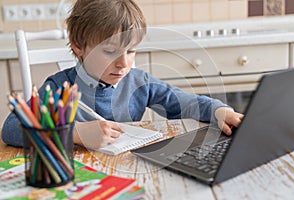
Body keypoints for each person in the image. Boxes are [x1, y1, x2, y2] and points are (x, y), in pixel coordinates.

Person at [2, 0, 243, 149]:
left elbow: (183, 102)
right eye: (110, 51)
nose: (123, 63)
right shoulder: (58, 87)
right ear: (78, 46)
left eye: (131, 50)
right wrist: (74, 134)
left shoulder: (139, 82)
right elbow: (11, 129)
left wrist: (217, 110)